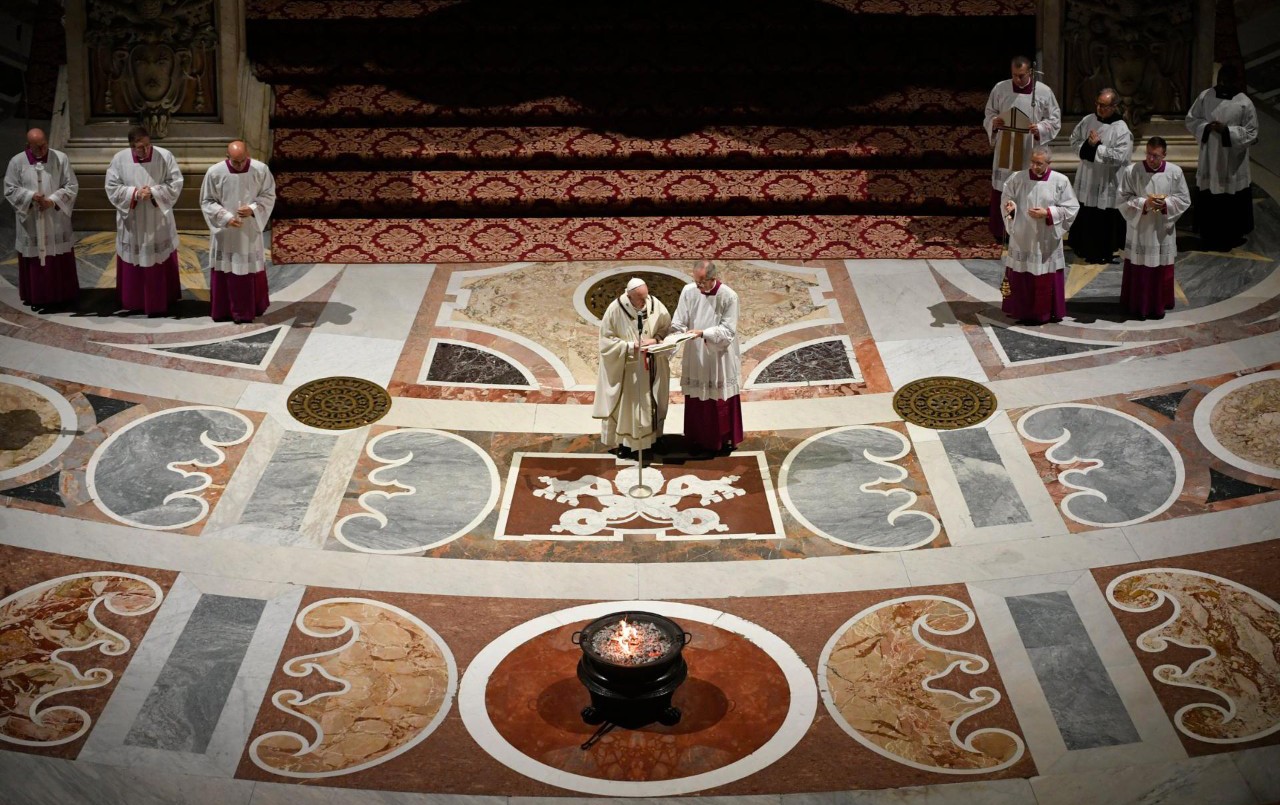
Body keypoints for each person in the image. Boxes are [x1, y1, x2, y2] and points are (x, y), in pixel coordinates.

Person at [104, 125, 183, 316]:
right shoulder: (119, 159)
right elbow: (111, 187)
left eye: (148, 145)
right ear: (131, 146)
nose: (146, 150)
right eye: (140, 147)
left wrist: (154, 192)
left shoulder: (165, 156)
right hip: (133, 219)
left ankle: (161, 299)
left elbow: (175, 183)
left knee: (158, 255)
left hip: (157, 218)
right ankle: (134, 300)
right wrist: (135, 193)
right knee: (134, 256)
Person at [668, 259, 743, 456]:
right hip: (696, 352)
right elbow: (679, 321)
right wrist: (672, 339)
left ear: (713, 278)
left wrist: (703, 333)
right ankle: (697, 438)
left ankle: (723, 439)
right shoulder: (689, 291)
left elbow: (728, 330)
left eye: (702, 282)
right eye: (696, 281)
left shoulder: (729, 296)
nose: (699, 286)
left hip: (719, 354)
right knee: (697, 397)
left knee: (719, 398)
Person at [985, 55, 1062, 242]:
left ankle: (1026, 228)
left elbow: (1054, 119)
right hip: (1007, 145)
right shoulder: (1000, 88)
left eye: (1021, 75)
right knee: (1005, 187)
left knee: (1027, 187)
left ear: (1030, 73)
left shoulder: (1043, 92)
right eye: (1014, 75)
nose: (1017, 79)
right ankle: (1002, 231)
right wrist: (994, 122)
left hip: (1029, 146)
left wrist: (1040, 128)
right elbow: (989, 113)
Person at [593, 277, 671, 459]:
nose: (645, 302)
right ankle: (625, 442)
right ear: (629, 296)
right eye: (640, 299)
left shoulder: (655, 304)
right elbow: (605, 341)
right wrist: (630, 346)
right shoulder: (615, 309)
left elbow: (666, 327)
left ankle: (653, 439)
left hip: (652, 364)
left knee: (653, 402)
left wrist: (656, 339)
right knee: (628, 408)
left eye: (646, 296)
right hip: (628, 368)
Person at [1001, 145, 1079, 325]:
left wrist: (1048, 213)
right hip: (1023, 235)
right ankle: (1021, 310)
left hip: (1046, 236)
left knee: (1044, 273)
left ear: (1049, 163)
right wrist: (1010, 207)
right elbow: (1007, 198)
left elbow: (1072, 208)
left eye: (1039, 163)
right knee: (1022, 271)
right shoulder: (1017, 178)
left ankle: (1045, 312)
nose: (1035, 166)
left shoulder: (1060, 181)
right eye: (1033, 162)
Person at [200, 140, 277, 323]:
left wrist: (252, 209)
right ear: (227, 157)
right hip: (226, 232)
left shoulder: (260, 170)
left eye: (243, 160)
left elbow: (269, 195)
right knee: (226, 266)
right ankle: (224, 310)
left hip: (249, 230)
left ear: (248, 155)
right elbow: (207, 201)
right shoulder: (215, 172)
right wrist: (225, 217)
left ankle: (250, 308)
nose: (240, 165)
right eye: (235, 162)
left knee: (247, 267)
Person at [1185, 62, 1258, 251]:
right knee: (1210, 195)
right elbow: (1191, 119)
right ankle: (1208, 233)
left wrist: (1227, 131)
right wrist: (1206, 127)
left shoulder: (1244, 102)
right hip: (1210, 156)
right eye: (1221, 81)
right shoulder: (1206, 96)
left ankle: (1231, 235)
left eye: (1227, 82)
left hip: (1232, 161)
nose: (1223, 85)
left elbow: (1252, 132)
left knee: (1230, 197)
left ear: (1235, 82)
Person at [3, 128, 79, 309]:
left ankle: (63, 294)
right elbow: (10, 189)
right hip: (31, 220)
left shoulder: (60, 158)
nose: (42, 150)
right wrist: (31, 197)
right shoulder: (17, 162)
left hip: (55, 219)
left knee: (58, 256)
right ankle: (37, 296)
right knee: (35, 259)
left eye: (44, 145)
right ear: (27, 146)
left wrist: (52, 201)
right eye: (37, 147)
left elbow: (71, 185)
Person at [1118, 137, 1190, 320]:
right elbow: (1122, 199)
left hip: (1161, 229)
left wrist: (1166, 204)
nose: (1151, 159)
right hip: (1140, 229)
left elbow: (1184, 199)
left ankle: (1160, 303)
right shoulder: (1132, 171)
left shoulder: (1175, 172)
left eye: (1156, 156)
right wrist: (1145, 203)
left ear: (1164, 155)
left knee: (1160, 265)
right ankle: (1137, 303)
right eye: (1148, 154)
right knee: (1140, 264)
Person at [1066, 88, 1133, 263]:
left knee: (1103, 216)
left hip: (1107, 179)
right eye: (1098, 104)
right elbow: (1074, 140)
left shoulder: (1121, 128)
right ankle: (1082, 246)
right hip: (1088, 175)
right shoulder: (1088, 120)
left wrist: (1096, 147)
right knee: (1086, 211)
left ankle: (1103, 250)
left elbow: (1121, 156)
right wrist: (1088, 145)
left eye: (1104, 106)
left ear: (1114, 106)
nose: (1099, 108)